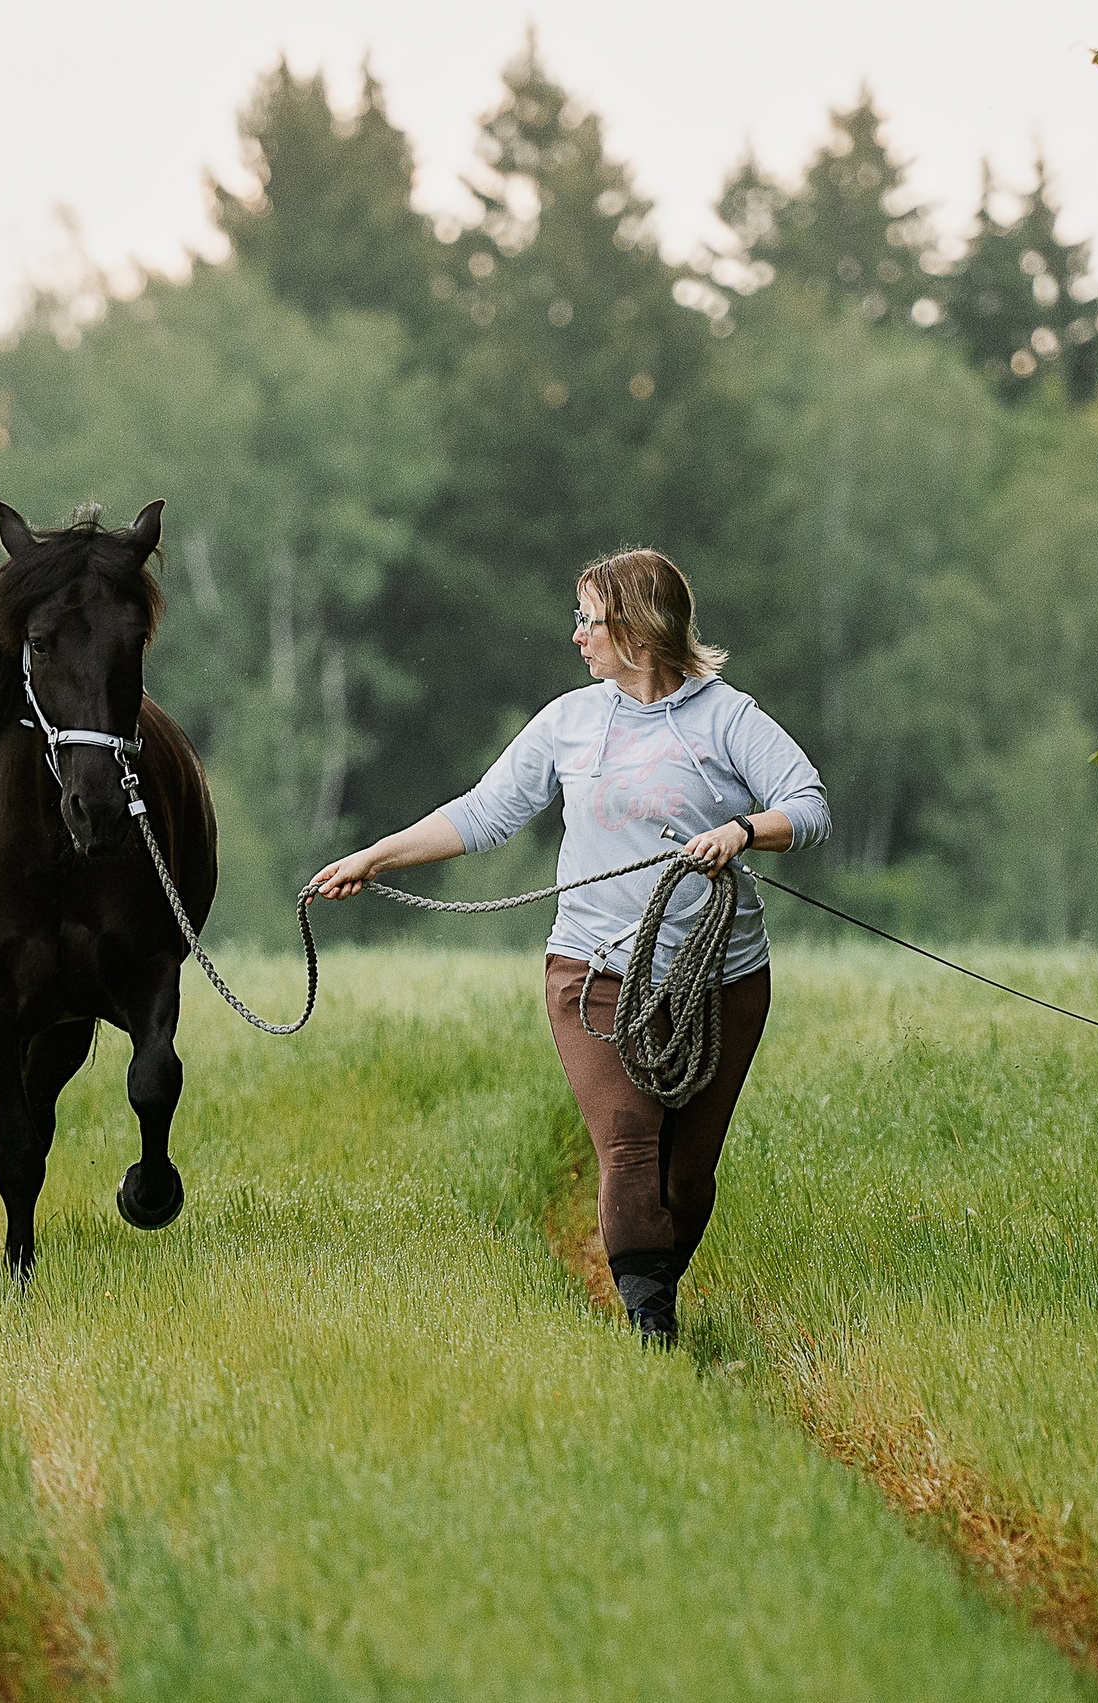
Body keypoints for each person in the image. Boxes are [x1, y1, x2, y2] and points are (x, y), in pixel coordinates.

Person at [310, 549, 828, 1346]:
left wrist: (742, 830)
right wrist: (375, 855)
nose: (577, 635)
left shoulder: (726, 719)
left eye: (589, 619)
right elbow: (483, 813)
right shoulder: (570, 722)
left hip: (719, 979)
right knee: (628, 1147)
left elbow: (810, 804)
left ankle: (650, 1279)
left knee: (684, 1177)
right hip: (595, 971)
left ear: (636, 628)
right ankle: (651, 1332)